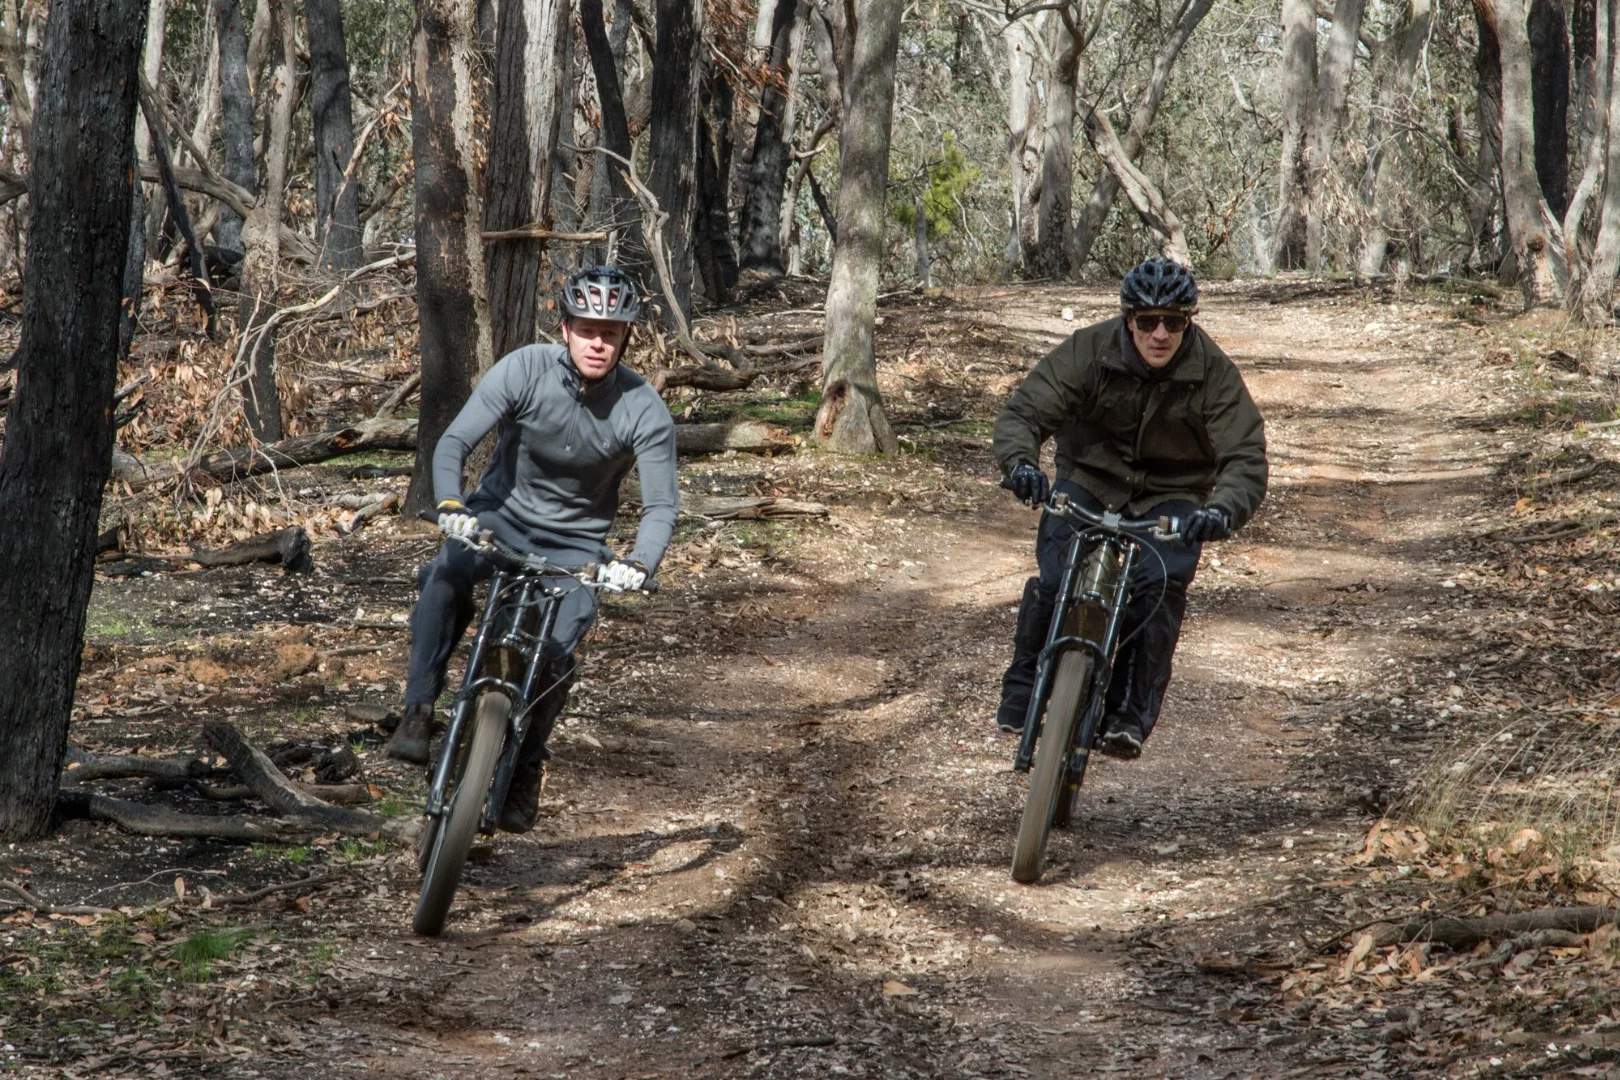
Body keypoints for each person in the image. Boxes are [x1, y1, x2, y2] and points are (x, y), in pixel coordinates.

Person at [387, 266, 678, 832]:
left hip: (576, 548)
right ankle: (419, 710)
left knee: (560, 652)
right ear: (564, 327)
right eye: (588, 328)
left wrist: (640, 564)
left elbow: (661, 507)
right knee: (444, 574)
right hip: (498, 521)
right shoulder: (524, 368)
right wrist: (451, 505)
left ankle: (523, 763)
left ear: (626, 340)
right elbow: (454, 441)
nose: (599, 342)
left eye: (612, 333)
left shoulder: (643, 407)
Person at [991, 257, 1267, 759]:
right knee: (1055, 580)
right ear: (1127, 319)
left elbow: (1244, 457)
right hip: (1089, 478)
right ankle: (1023, 687)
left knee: (1158, 588)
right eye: (1147, 321)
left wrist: (1223, 510)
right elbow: (1025, 411)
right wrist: (1022, 465)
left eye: (1175, 322)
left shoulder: (1214, 373)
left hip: (1173, 492)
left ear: (1190, 321)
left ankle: (1126, 716)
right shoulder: (1089, 350)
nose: (1160, 334)